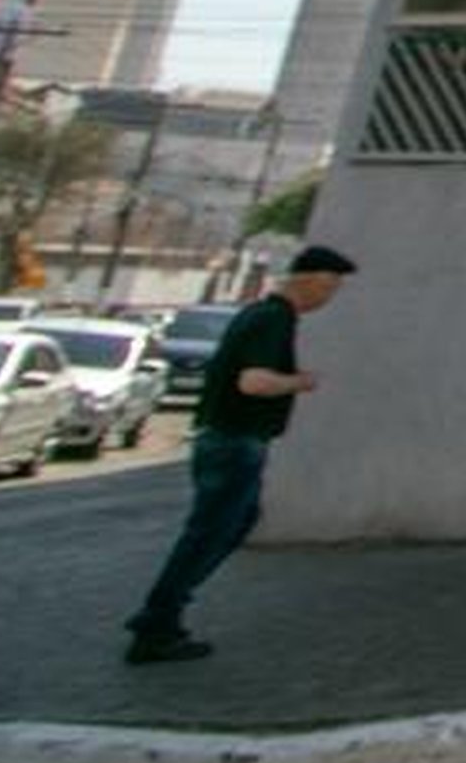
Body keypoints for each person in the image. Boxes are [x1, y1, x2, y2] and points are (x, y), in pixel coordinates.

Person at [121, 244, 356, 665]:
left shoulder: (261, 314)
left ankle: (162, 615)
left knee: (232, 522)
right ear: (314, 281)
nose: (330, 297)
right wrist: (299, 382)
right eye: (331, 287)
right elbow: (253, 382)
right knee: (210, 531)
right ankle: (157, 620)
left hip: (229, 439)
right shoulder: (273, 319)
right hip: (235, 441)